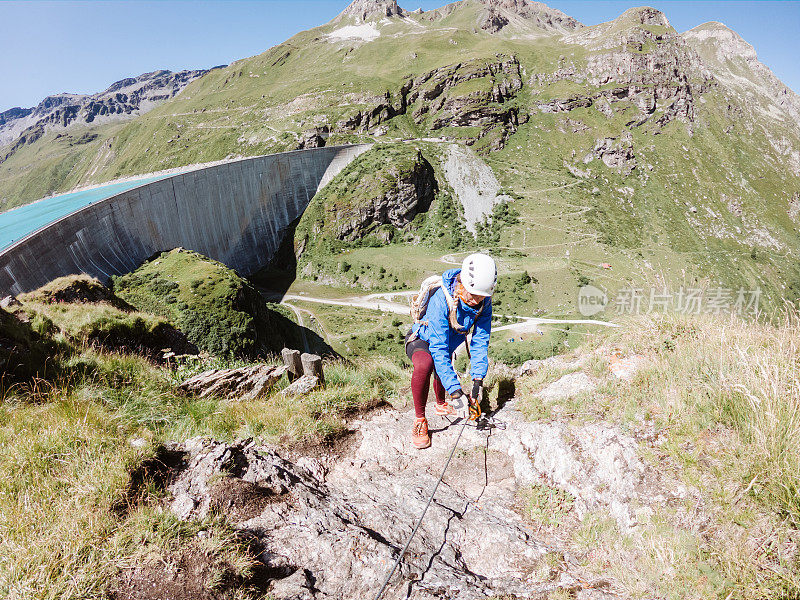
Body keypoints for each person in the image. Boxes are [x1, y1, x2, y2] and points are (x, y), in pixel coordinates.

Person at [404, 253, 497, 449]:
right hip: (423, 339)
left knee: (443, 361)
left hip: (445, 344)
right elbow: (437, 348)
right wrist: (456, 391)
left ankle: (441, 404)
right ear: (462, 283)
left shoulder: (483, 303)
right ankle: (420, 420)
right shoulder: (442, 298)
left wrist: (477, 380)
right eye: (474, 295)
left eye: (482, 296)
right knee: (426, 363)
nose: (476, 300)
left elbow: (480, 341)